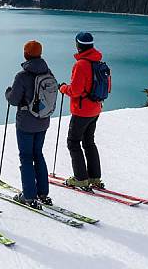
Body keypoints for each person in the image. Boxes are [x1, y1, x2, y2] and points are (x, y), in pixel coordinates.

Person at [5, 40, 54, 207]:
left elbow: (13, 100)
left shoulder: (22, 76)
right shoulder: (48, 73)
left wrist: (8, 93)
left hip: (26, 123)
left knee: (26, 157)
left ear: (26, 54)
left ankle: (29, 195)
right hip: (43, 121)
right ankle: (43, 192)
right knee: (38, 154)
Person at [59, 32, 109, 189]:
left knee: (73, 142)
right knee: (89, 142)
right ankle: (94, 177)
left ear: (78, 45)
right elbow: (107, 87)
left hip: (81, 111)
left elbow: (75, 91)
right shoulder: (99, 63)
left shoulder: (81, 65)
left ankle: (80, 178)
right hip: (95, 109)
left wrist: (63, 88)